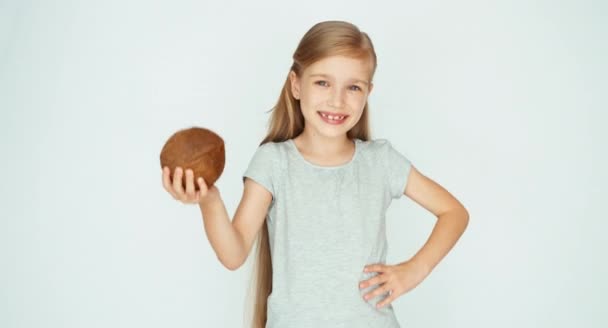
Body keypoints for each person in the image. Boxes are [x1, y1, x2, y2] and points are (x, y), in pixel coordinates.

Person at [161, 20, 469, 328]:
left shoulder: (381, 162)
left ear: (368, 92)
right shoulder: (273, 162)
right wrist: (209, 201)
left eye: (353, 87)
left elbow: (454, 212)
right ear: (296, 84)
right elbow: (234, 253)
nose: (337, 100)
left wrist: (414, 270)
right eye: (323, 82)